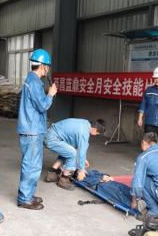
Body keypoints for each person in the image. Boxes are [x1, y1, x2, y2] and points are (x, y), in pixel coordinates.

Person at [16, 49, 58, 211]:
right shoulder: (34, 83)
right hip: (32, 130)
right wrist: (51, 94)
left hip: (30, 129)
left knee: (31, 164)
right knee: (31, 165)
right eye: (47, 66)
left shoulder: (31, 80)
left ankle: (28, 194)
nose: (48, 69)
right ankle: (25, 199)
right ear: (42, 66)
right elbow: (42, 106)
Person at [43, 118, 106, 190]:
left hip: (49, 134)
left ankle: (51, 173)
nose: (95, 135)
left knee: (68, 151)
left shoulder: (84, 123)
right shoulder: (84, 133)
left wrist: (83, 159)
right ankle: (64, 179)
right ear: (94, 129)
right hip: (52, 139)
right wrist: (81, 170)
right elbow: (81, 152)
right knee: (73, 154)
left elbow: (74, 147)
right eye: (97, 134)